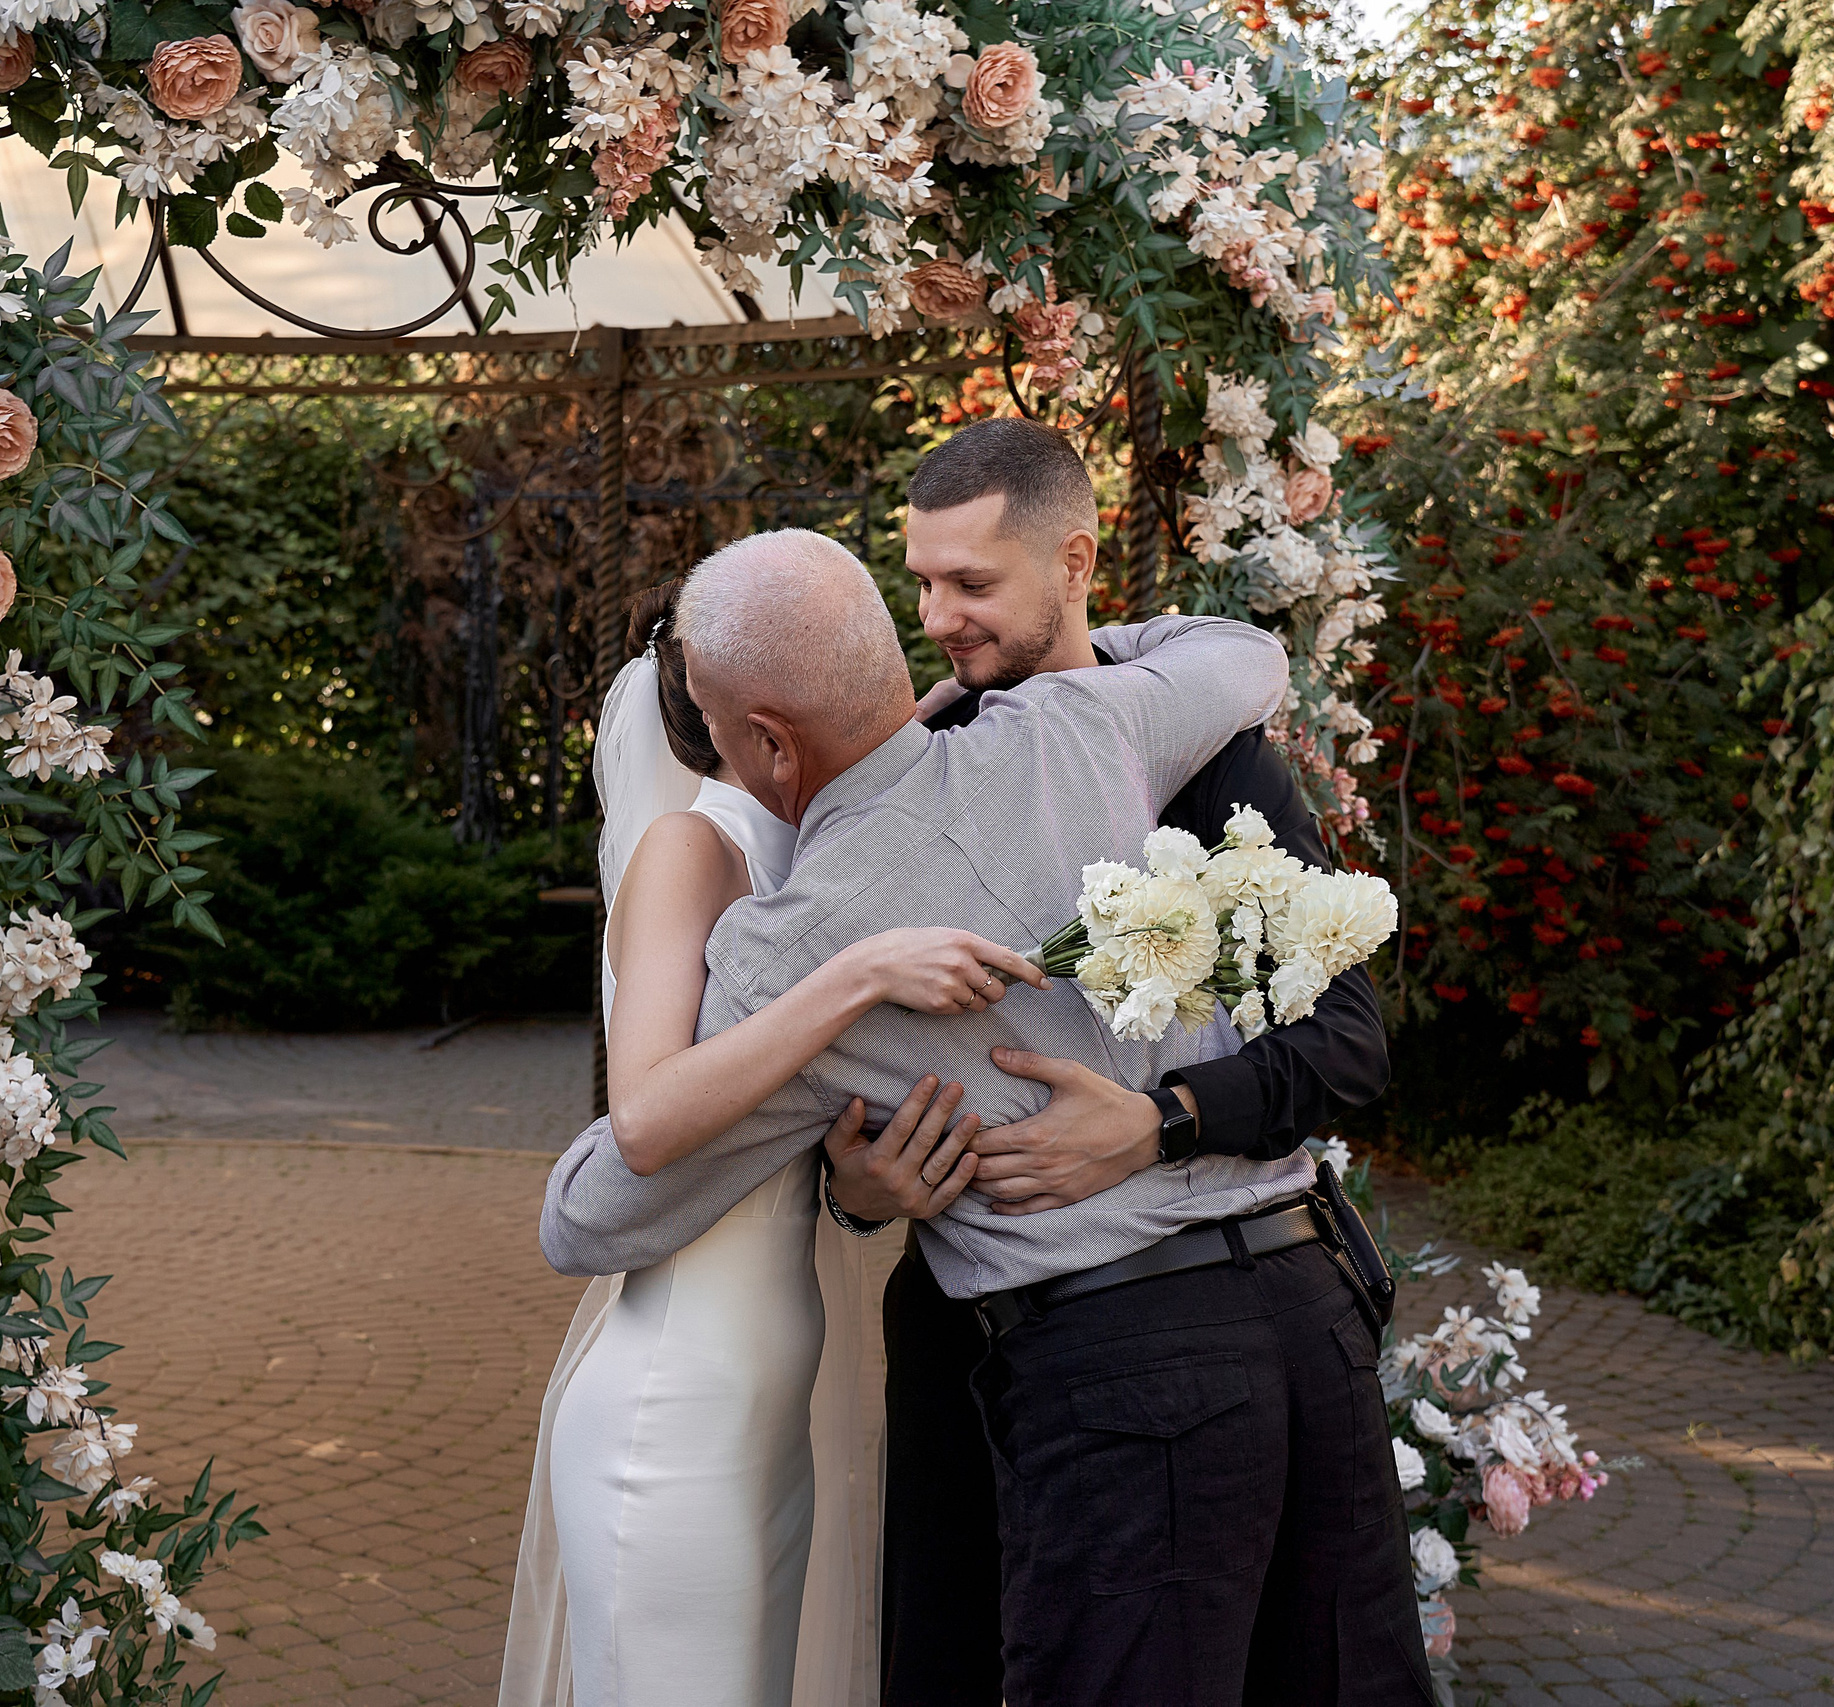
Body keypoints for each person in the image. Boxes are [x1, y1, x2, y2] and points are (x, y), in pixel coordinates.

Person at [539, 527, 1316, 1703]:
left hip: (1098, 1373)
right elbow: (1248, 654)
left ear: (761, 740)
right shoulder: (1081, 721)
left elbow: (586, 1218)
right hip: (1300, 1314)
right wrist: (999, 673)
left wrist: (840, 1002)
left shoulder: (789, 954)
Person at [827, 416, 1424, 1704]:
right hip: (1003, 1355)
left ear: (1076, 561)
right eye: (920, 582)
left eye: (972, 584)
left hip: (1249, 1325)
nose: (937, 618)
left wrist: (1163, 1121)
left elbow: (1347, 1044)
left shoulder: (1206, 758)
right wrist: (860, 1187)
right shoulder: (917, 774)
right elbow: (845, 1067)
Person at [498, 577, 1045, 1707]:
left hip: (779, 1385)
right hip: (676, 1403)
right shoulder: (692, 850)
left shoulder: (828, 846)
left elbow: (784, 1126)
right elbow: (647, 1112)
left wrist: (856, 1189)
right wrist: (858, 975)